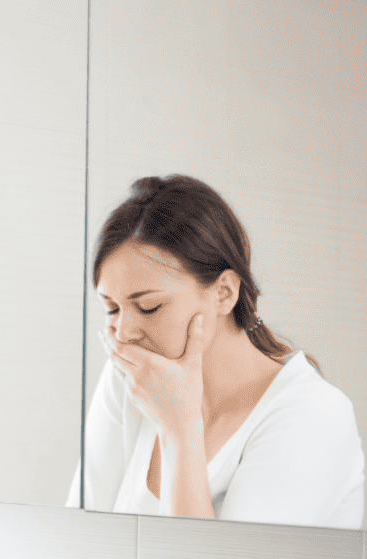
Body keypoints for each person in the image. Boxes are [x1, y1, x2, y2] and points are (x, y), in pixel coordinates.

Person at [68, 175, 364, 527]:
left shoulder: (312, 415)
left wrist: (179, 428)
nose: (125, 334)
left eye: (148, 307)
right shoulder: (131, 379)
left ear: (224, 293)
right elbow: (77, 541)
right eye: (112, 309)